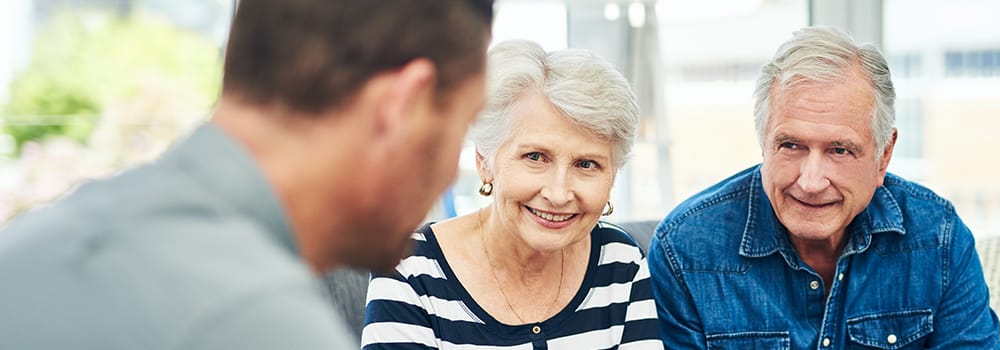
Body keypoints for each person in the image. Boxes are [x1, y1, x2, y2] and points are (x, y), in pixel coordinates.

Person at [0, 0, 492, 349]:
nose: (451, 174)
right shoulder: (261, 323)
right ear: (402, 106)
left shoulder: (37, 243)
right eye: (462, 126)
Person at [648, 26, 1000, 349]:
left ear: (884, 155)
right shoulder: (685, 251)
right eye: (790, 145)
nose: (811, 182)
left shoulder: (939, 237)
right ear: (764, 144)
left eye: (840, 150)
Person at [361, 39, 662, 349]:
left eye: (586, 164)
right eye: (535, 157)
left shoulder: (620, 260)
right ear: (484, 161)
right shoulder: (411, 268)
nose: (559, 194)